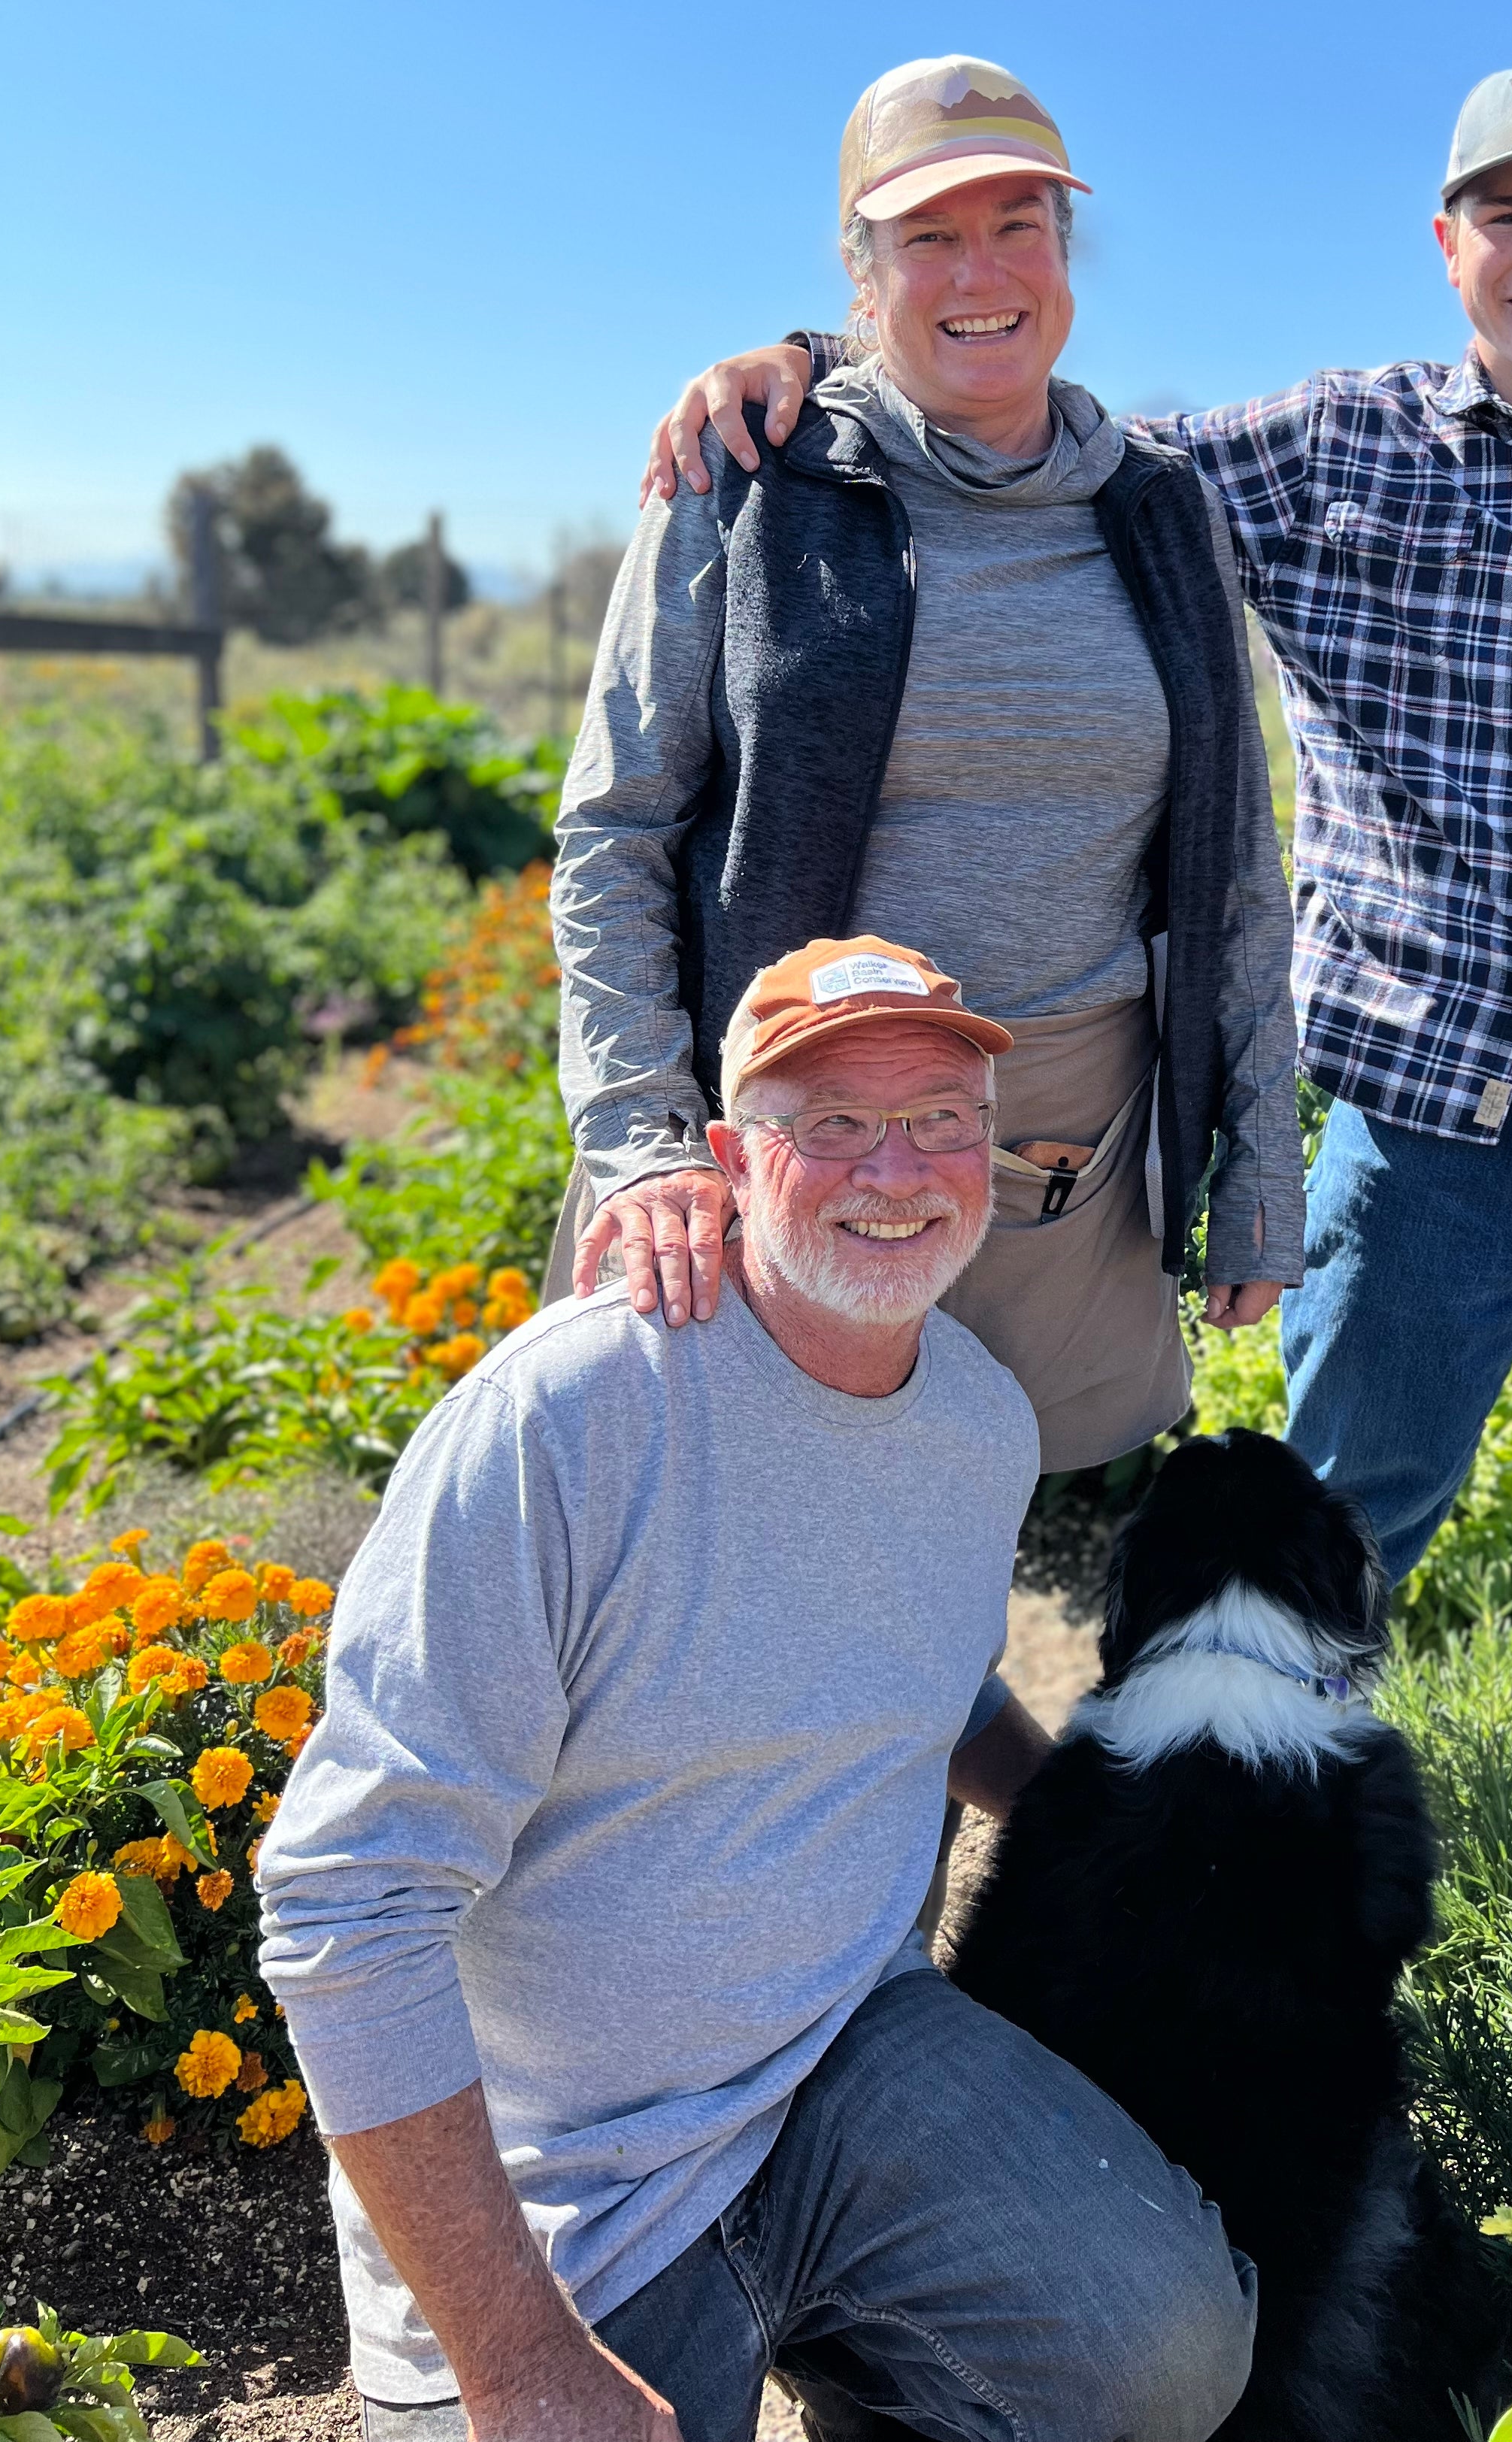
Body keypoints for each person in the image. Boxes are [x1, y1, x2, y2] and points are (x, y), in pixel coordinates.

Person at [639, 54, 1512, 1838]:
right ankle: (1190, 1912)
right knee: (1299, 1592)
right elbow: (1016, 417)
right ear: (1445, 239)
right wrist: (800, 358)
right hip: (1418, 1153)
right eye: (1507, 215)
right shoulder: (1320, 453)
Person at [259, 932, 1259, 2442]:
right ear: (729, 1157)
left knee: (1166, 2358)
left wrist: (1097, 1833)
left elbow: (934, 1681)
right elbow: (346, 1906)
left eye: (939, 1120)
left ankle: (865, 2354)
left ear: (990, 1152)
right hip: (573, 2172)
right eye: (832, 1124)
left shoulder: (978, 1419)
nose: (895, 1168)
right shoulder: (573, 1418)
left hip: (840, 2051)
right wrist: (521, 2361)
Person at [552, 53, 1302, 1477]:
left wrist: (1257, 1164)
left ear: (1065, 252)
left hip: (1065, 1148)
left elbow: (1237, 874)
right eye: (927, 235)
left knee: (971, 1518)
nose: (981, 267)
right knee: (750, 1527)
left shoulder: (1159, 507)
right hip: (795, 1130)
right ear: (858, 271)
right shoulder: (751, 476)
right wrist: (644, 1140)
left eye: (1017, 221)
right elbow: (615, 832)